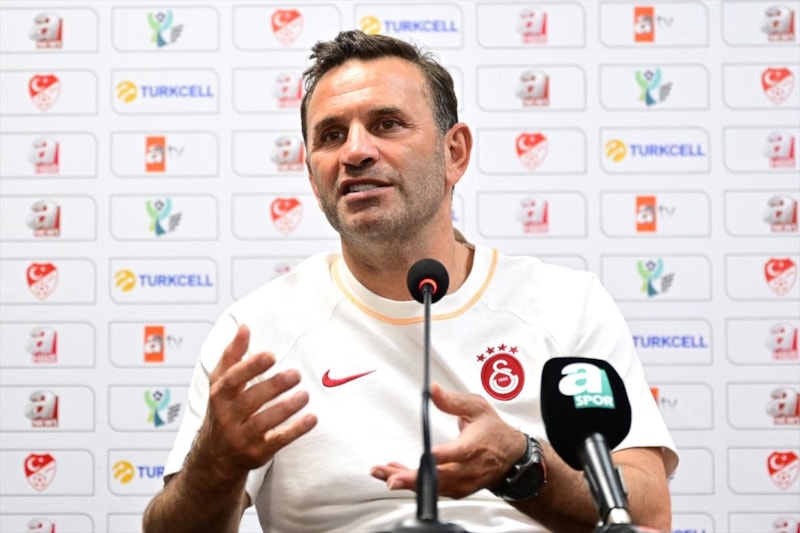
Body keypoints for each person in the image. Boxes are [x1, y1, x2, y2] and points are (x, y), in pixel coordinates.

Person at [143, 30, 678, 533]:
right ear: (311, 173)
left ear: (454, 152)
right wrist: (216, 464)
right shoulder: (257, 332)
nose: (355, 152)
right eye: (331, 135)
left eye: (386, 124)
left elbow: (648, 510)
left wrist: (520, 464)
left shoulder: (565, 303)